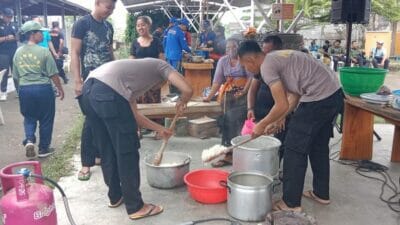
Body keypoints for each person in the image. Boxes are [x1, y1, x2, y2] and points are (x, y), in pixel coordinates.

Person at [78, 58, 192, 220]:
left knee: (107, 148)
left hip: (88, 93)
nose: (156, 89)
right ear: (165, 80)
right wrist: (183, 101)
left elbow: (134, 115)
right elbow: (187, 89)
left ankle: (115, 196)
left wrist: (161, 129)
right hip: (107, 93)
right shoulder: (161, 66)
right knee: (127, 150)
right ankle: (135, 207)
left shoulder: (130, 79)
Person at [238, 40, 343, 212]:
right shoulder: (277, 58)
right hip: (334, 94)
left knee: (294, 147)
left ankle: (291, 203)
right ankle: (321, 193)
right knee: (318, 146)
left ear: (250, 60)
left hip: (318, 99)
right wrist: (275, 120)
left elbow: (281, 105)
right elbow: (294, 95)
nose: (248, 70)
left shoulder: (267, 66)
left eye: (245, 66)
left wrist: (261, 125)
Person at [71, 0, 116, 181]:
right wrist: (77, 80)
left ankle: (99, 155)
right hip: (89, 80)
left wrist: (116, 72)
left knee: (104, 118)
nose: (110, 11)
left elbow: (109, 51)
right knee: (90, 121)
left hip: (107, 79)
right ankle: (86, 163)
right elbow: (74, 53)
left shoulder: (109, 27)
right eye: (108, 7)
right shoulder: (82, 23)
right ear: (97, 3)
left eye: (113, 8)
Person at [13, 20, 64, 159]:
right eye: (40, 32)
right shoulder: (44, 51)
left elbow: (16, 76)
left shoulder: (18, 52)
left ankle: (29, 140)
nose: (42, 34)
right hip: (43, 88)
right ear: (32, 34)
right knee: (46, 118)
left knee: (29, 117)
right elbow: (53, 74)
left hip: (25, 88)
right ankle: (43, 148)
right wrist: (60, 88)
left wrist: (20, 91)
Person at [203, 38, 253, 167]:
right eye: (228, 48)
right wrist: (209, 97)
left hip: (244, 96)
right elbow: (217, 81)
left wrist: (244, 92)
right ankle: (228, 154)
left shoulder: (244, 60)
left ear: (239, 47)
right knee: (226, 124)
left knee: (237, 125)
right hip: (228, 96)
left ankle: (238, 155)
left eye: (234, 47)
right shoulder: (223, 61)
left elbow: (251, 79)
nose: (230, 50)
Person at [247, 36, 287, 162]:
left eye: (268, 52)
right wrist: (250, 108)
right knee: (256, 139)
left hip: (280, 111)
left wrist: (282, 115)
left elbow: (292, 95)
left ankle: (273, 167)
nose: (265, 55)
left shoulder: (285, 67)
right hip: (261, 109)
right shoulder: (261, 67)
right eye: (263, 51)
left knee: (277, 143)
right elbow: (252, 90)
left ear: (279, 50)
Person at [129, 15, 164, 138]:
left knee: (155, 104)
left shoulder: (157, 41)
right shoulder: (135, 42)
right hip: (138, 80)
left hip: (153, 79)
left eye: (143, 25)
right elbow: (131, 61)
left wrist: (161, 79)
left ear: (149, 25)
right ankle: (138, 129)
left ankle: (157, 130)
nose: (140, 27)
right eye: (138, 25)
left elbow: (162, 61)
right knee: (137, 105)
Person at [0, 8, 18, 101]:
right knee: (4, 72)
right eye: (8, 16)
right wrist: (6, 38)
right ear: (2, 15)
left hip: (14, 51)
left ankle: (19, 91)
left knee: (16, 72)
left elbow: (18, 37)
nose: (9, 18)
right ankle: (3, 92)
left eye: (11, 17)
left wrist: (15, 37)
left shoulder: (14, 25)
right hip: (3, 53)